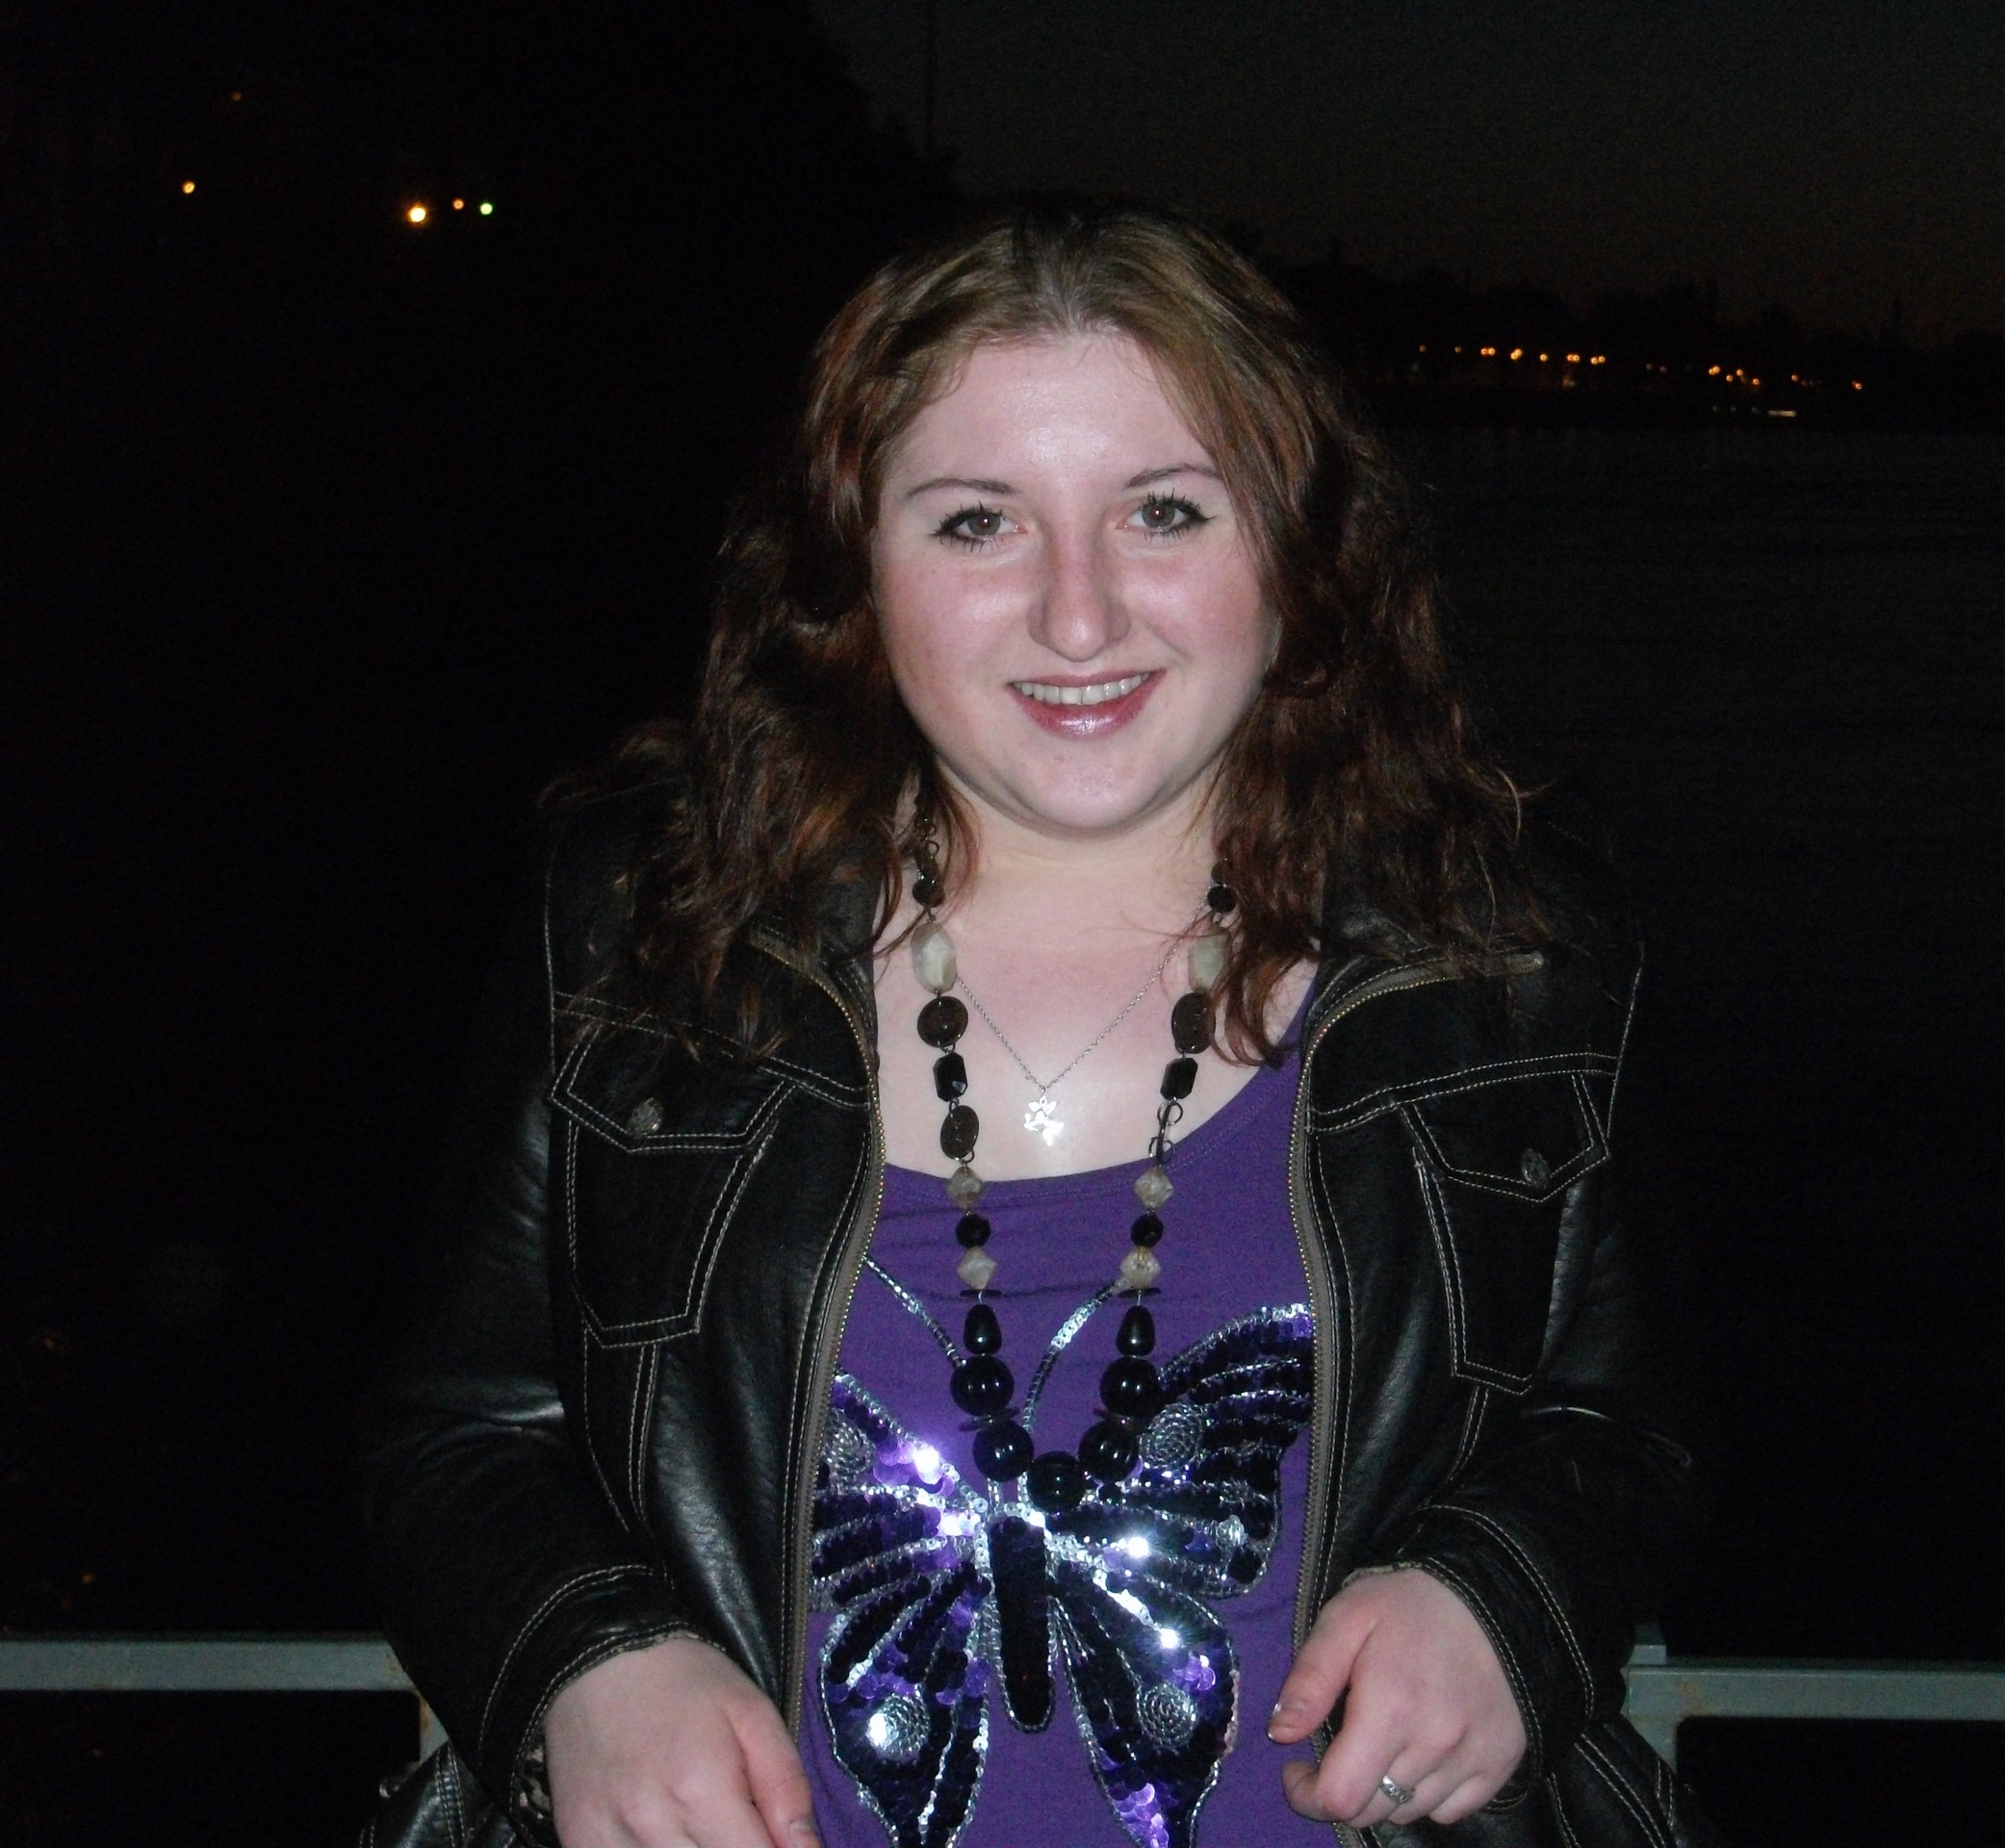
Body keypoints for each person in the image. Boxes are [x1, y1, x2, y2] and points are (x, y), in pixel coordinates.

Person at [362, 206, 1712, 1848]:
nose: (1081, 619)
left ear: (1299, 554)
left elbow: (1627, 1424)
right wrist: (581, 1664)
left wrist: (1508, 1594)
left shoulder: (1509, 944)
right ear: (853, 572)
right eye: (977, 523)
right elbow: (457, 1434)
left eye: (1164, 512)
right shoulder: (637, 926)